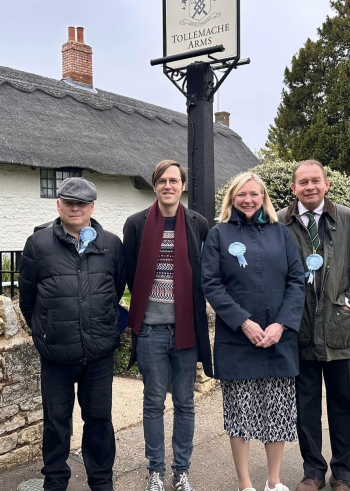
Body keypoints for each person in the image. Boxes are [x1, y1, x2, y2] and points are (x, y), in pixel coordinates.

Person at [18, 177, 125, 491]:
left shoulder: (111, 244)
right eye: (69, 202)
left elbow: (115, 291)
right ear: (59, 205)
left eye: (82, 203)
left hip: (99, 354)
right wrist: (47, 331)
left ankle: (102, 482)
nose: (75, 208)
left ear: (92, 207)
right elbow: (27, 300)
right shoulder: (38, 245)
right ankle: (55, 481)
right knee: (55, 423)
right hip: (57, 354)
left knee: (99, 422)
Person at [202, 172, 307, 491]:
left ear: (264, 198)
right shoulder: (218, 234)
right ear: (231, 198)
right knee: (240, 416)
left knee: (278, 415)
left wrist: (281, 324)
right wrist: (243, 322)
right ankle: (245, 484)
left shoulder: (281, 233)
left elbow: (296, 280)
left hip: (278, 338)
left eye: (254, 194)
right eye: (241, 194)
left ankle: (274, 482)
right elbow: (211, 283)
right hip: (237, 340)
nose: (248, 199)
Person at [277, 160, 350, 491]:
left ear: (327, 183)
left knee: (346, 406)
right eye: (303, 182)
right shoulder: (280, 222)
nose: (309, 186)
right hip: (300, 331)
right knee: (306, 408)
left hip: (340, 330)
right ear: (293, 188)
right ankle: (313, 472)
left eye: (315, 180)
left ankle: (344, 473)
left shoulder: (348, 219)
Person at [124, 160, 212, 491]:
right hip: (150, 329)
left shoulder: (197, 223)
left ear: (183, 186)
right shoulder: (136, 224)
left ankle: (182, 470)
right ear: (155, 185)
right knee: (153, 402)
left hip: (186, 328)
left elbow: (206, 269)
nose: (168, 186)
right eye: (162, 181)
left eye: (174, 180)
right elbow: (129, 272)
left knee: (185, 403)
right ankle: (156, 471)